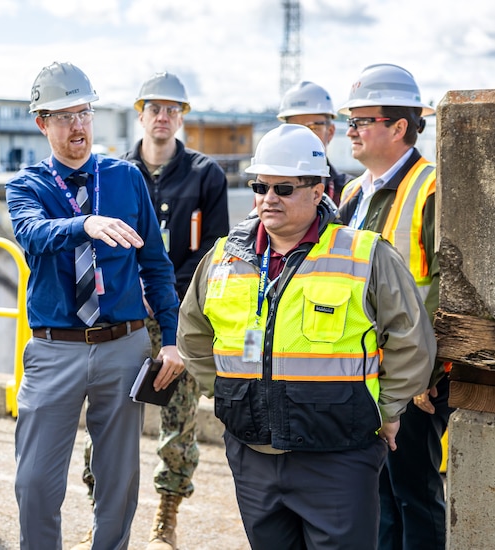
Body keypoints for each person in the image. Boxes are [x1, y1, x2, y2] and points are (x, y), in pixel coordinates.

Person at [177, 124, 437, 550]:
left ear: (318, 191)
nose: (267, 198)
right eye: (259, 186)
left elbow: (411, 339)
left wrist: (388, 409)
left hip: (338, 457)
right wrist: (229, 394)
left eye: (283, 187)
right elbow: (193, 334)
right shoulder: (224, 257)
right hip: (252, 454)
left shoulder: (364, 254)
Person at [6, 61, 183, 550]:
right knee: (35, 483)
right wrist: (82, 225)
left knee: (119, 481)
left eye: (83, 112)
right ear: (42, 124)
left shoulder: (125, 179)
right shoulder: (27, 186)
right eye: (63, 116)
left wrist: (169, 340)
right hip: (54, 349)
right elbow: (31, 234)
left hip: (123, 346)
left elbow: (156, 264)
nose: (77, 125)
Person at [74, 71, 230, 550]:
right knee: (105, 421)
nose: (163, 118)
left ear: (182, 116)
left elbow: (215, 253)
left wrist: (180, 315)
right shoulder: (113, 174)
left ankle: (166, 521)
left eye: (172, 109)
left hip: (178, 320)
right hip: (119, 318)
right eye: (155, 109)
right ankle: (101, 520)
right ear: (140, 113)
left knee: (176, 422)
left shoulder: (206, 175)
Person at [337, 63, 452, 550]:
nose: (350, 130)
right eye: (351, 120)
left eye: (362, 120)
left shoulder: (431, 188)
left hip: (413, 378)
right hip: (364, 372)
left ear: (399, 126)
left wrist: (432, 374)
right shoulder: (351, 193)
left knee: (415, 495)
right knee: (378, 494)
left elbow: (450, 287)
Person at [277, 80, 352, 205]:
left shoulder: (349, 191)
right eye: (295, 128)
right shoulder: (270, 189)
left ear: (331, 132)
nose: (303, 137)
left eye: (313, 128)